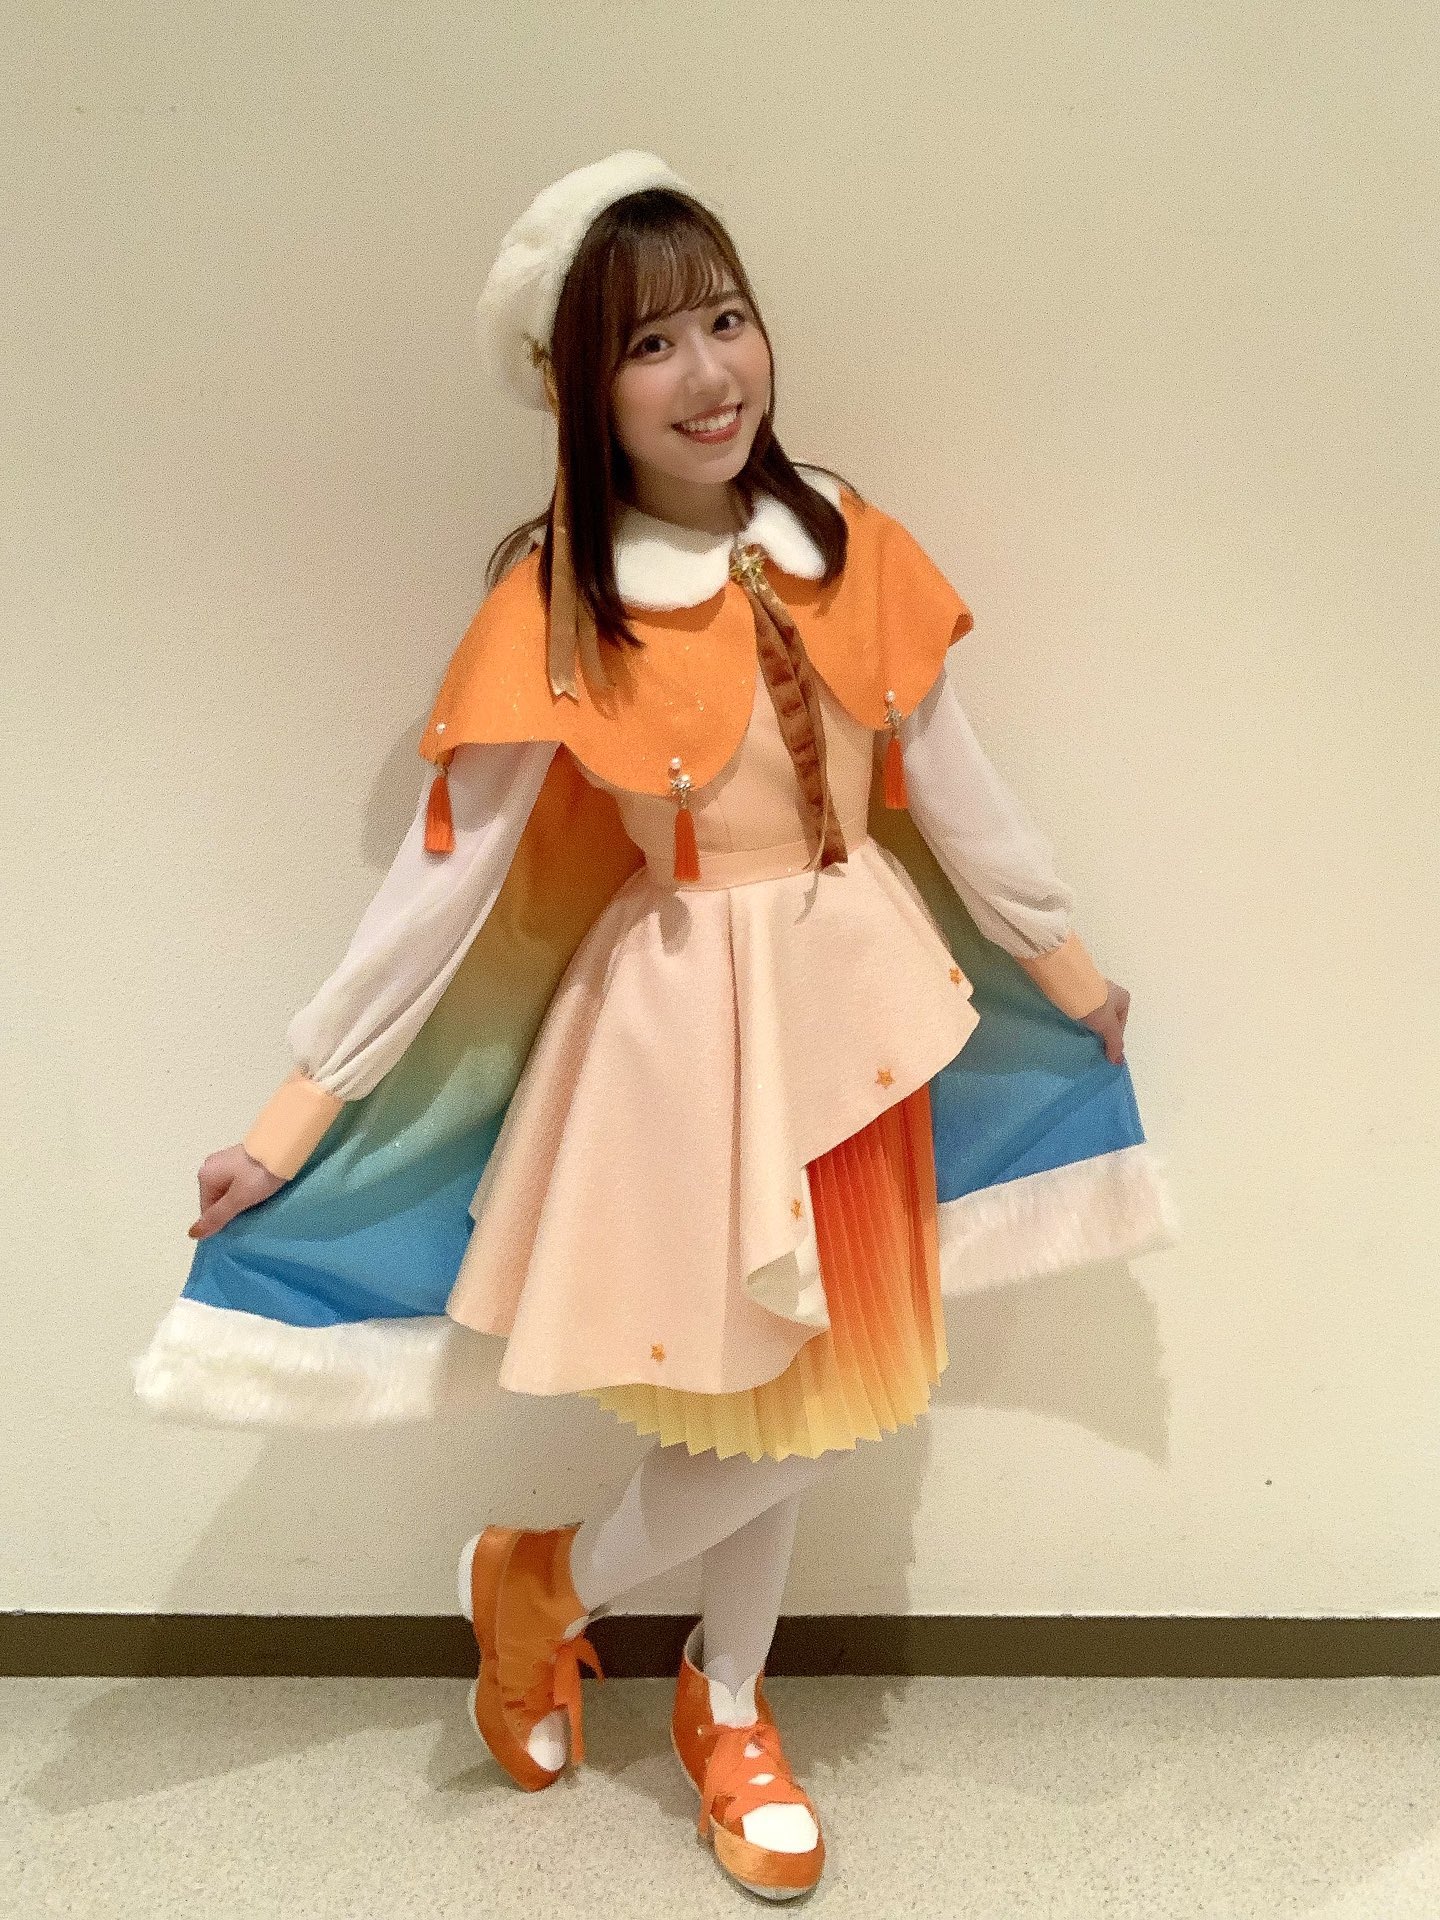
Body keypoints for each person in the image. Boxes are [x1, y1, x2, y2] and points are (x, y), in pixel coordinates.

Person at [137, 151, 1177, 1900]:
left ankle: (701, 1682)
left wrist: (1067, 969)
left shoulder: (845, 537)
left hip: (857, 1016)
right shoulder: (562, 603)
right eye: (649, 345)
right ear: (581, 388)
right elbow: (440, 888)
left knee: (807, 1396)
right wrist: (294, 1119)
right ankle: (570, 1601)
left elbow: (959, 783)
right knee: (754, 1400)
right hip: (685, 1040)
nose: (709, 374)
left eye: (727, 320)